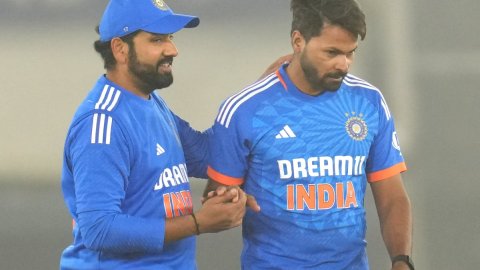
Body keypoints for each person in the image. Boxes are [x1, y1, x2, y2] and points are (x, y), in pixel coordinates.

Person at [204, 0, 414, 269]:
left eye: (351, 53)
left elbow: (392, 196)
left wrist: (401, 260)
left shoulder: (369, 102)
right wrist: (229, 201)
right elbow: (218, 198)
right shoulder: (245, 109)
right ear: (298, 41)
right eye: (332, 52)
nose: (343, 64)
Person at [59, 0, 250, 269]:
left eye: (170, 38)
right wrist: (198, 223)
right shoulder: (102, 123)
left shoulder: (151, 102)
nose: (173, 49)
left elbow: (206, 155)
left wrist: (263, 97)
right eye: (157, 40)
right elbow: (99, 229)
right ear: (120, 49)